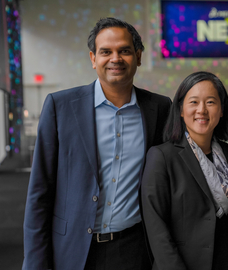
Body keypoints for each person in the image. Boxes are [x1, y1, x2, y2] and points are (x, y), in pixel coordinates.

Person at [23, 17, 172, 270]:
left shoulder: (159, 108)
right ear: (93, 59)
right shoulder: (60, 107)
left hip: (135, 251)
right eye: (106, 52)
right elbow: (39, 193)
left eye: (124, 51)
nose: (116, 58)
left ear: (138, 56)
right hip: (73, 251)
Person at [141, 71, 228, 270]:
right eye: (194, 102)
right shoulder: (162, 157)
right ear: (180, 109)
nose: (202, 110)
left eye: (211, 102)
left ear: (222, 109)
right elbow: (156, 228)